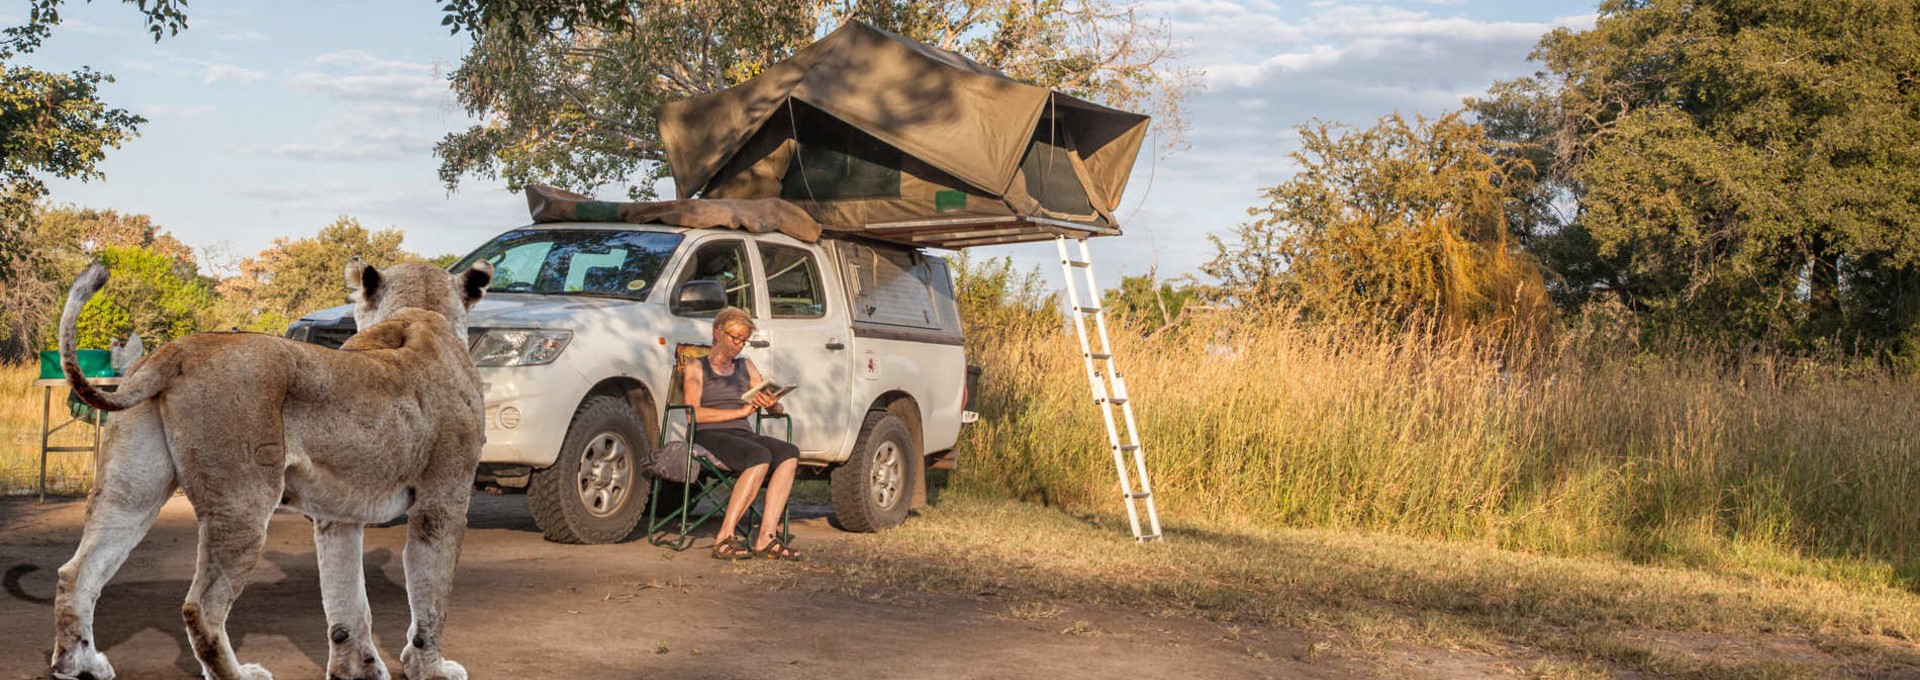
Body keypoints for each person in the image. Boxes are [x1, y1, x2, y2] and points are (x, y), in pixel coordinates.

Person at [683, 306, 804, 560]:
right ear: (717, 332)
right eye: (734, 338)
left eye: (743, 340)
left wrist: (773, 404)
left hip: (741, 433)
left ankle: (766, 537)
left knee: (789, 453)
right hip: (708, 432)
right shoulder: (696, 366)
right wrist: (739, 413)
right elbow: (693, 414)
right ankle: (725, 537)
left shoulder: (745, 366)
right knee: (758, 456)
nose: (738, 345)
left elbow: (773, 405)